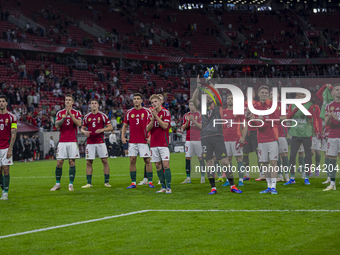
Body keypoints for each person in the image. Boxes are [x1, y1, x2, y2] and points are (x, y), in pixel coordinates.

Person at [192, 73, 241, 195]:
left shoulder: (217, 104)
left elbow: (217, 93)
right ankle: (213, 188)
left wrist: (209, 82)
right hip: (205, 138)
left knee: (225, 162)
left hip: (218, 137)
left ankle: (232, 185)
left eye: (209, 93)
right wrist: (198, 87)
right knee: (209, 163)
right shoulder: (202, 107)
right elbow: (193, 100)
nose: (207, 95)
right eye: (205, 93)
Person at [283, 92, 320, 186]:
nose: (301, 97)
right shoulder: (292, 105)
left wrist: (302, 108)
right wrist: (296, 108)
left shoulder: (311, 106)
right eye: (300, 95)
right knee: (292, 156)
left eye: (303, 96)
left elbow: (311, 117)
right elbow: (288, 117)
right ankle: (292, 178)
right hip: (295, 134)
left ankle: (306, 177)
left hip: (307, 134)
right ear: (296, 97)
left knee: (308, 156)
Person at [250, 86, 280, 194]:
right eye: (262, 93)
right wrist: (251, 119)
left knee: (273, 163)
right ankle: (268, 186)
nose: (263, 94)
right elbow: (256, 125)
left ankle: (274, 187)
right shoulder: (255, 107)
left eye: (265, 93)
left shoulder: (273, 105)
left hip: (272, 138)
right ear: (258, 94)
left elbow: (277, 120)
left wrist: (265, 119)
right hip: (261, 139)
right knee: (264, 163)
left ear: (268, 94)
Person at [50, 94, 82, 192]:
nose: (67, 101)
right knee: (59, 162)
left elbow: (79, 124)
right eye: (66, 100)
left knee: (72, 162)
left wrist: (70, 115)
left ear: (73, 102)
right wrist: (64, 117)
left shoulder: (76, 113)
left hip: (72, 141)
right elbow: (56, 125)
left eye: (69, 100)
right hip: (62, 141)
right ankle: (57, 184)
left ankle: (71, 184)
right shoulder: (60, 113)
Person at [122, 93, 154, 189]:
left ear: (141, 101)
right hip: (132, 141)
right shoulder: (129, 112)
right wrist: (123, 136)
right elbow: (125, 126)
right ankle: (133, 183)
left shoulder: (147, 112)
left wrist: (150, 136)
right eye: (134, 99)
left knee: (147, 160)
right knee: (132, 160)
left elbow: (153, 124)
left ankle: (150, 181)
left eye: (138, 99)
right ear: (133, 101)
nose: (136, 100)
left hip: (143, 140)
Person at [81, 99, 113, 188]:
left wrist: (103, 129)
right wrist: (84, 132)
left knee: (104, 161)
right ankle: (89, 183)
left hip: (100, 141)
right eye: (92, 103)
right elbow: (82, 128)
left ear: (98, 105)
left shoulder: (103, 116)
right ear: (90, 105)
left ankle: (106, 182)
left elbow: (110, 127)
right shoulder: (87, 116)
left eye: (95, 103)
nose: (94, 105)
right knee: (88, 162)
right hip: (90, 142)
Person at [146, 94, 172, 193]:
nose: (154, 104)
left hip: (163, 143)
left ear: (160, 102)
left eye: (155, 101)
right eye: (152, 102)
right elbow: (148, 129)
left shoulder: (166, 113)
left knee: (165, 165)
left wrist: (156, 116)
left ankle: (169, 187)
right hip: (153, 144)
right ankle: (163, 187)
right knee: (157, 165)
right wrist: (152, 119)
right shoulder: (150, 115)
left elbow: (165, 126)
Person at [221, 93, 248, 187]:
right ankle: (229, 180)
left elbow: (245, 125)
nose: (230, 100)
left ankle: (241, 180)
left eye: (232, 98)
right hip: (225, 139)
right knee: (227, 160)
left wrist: (243, 137)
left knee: (239, 159)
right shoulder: (223, 112)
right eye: (228, 98)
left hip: (236, 138)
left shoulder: (239, 111)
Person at [181, 100, 205, 184]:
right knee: (188, 158)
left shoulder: (200, 114)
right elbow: (183, 129)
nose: (191, 106)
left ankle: (202, 177)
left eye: (192, 104)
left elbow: (202, 127)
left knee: (200, 158)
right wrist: (188, 121)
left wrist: (193, 120)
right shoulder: (186, 115)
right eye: (190, 105)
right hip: (188, 140)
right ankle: (188, 178)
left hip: (198, 140)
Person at [0, 95, 17, 200]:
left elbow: (13, 133)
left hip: (6, 147)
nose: (1, 103)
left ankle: (5, 192)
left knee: (6, 169)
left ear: (6, 103)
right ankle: (3, 189)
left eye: (3, 101)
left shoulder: (12, 117)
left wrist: (10, 148)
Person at [324, 83, 340, 191]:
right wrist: (330, 117)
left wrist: (337, 118)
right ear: (333, 92)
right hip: (332, 135)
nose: (339, 91)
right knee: (332, 159)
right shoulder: (329, 105)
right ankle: (332, 183)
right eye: (337, 90)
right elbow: (326, 123)